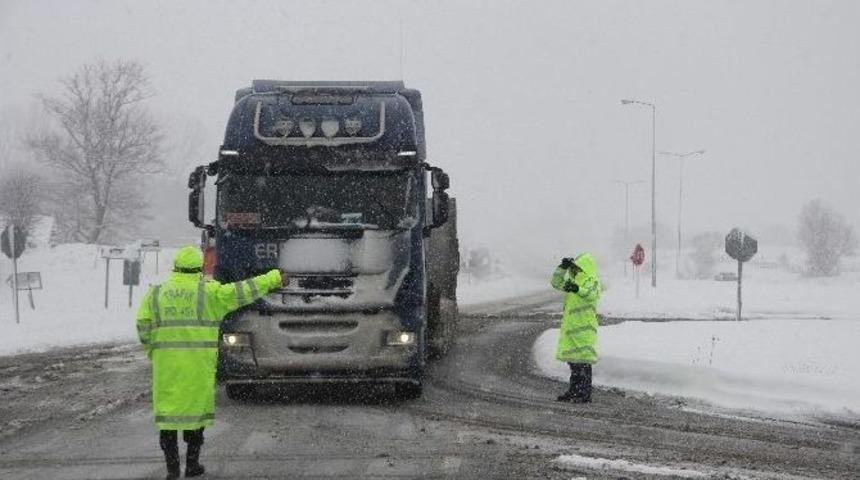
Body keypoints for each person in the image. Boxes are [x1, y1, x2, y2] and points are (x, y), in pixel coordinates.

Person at [136, 246, 286, 479]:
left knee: (168, 418)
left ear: (175, 268)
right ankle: (193, 465)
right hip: (198, 368)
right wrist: (275, 277)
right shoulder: (211, 293)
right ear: (199, 269)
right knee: (195, 416)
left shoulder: (155, 294)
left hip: (167, 367)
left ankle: (172, 470)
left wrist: (153, 352)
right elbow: (244, 290)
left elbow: (143, 327)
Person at [550, 252, 601, 403]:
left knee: (583, 363)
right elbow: (555, 282)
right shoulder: (573, 282)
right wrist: (562, 268)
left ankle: (584, 394)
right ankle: (574, 391)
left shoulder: (592, 281)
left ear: (585, 268)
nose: (575, 271)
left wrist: (577, 289)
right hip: (572, 329)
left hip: (584, 329)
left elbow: (592, 294)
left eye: (577, 268)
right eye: (574, 268)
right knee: (574, 363)